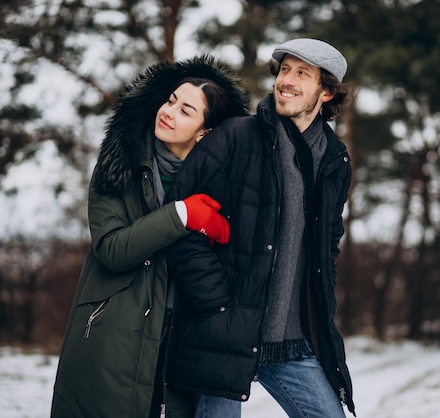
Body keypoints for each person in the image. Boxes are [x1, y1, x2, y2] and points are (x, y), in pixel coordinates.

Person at [50, 55, 250, 418]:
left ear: (204, 132)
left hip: (183, 343)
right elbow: (111, 248)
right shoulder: (120, 166)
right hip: (113, 332)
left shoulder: (225, 185)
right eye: (171, 100)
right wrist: (182, 214)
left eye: (186, 110)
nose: (169, 111)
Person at [165, 38, 355, 417]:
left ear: (327, 91)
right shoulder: (235, 137)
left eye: (302, 73)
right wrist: (217, 303)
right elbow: (180, 222)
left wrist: (320, 309)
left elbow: (328, 245)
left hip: (294, 343)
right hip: (224, 332)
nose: (287, 79)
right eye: (285, 69)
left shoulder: (335, 161)